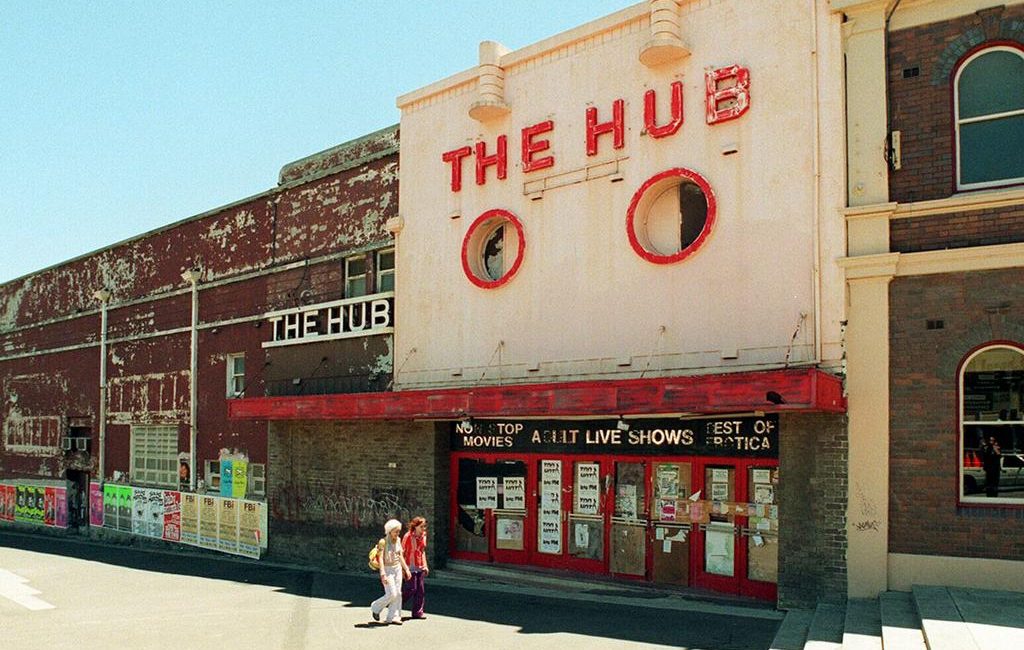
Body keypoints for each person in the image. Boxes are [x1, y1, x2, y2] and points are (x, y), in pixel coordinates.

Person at [370, 519, 411, 625]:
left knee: (398, 593)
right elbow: (380, 558)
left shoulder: (398, 540)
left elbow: (400, 555)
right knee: (391, 593)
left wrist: (406, 569)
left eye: (399, 531)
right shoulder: (383, 541)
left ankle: (394, 617)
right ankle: (375, 607)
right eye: (396, 531)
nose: (398, 533)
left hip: (397, 568)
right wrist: (382, 573)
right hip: (387, 569)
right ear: (390, 531)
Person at [401, 516, 430, 620]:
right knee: (411, 588)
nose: (424, 529)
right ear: (415, 526)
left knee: (420, 591)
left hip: (420, 566)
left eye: (424, 526)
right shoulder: (408, 536)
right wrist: (404, 569)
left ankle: (417, 612)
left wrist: (425, 565)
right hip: (409, 566)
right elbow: (401, 553)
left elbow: (422, 551)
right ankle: (397, 604)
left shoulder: (423, 536)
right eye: (421, 526)